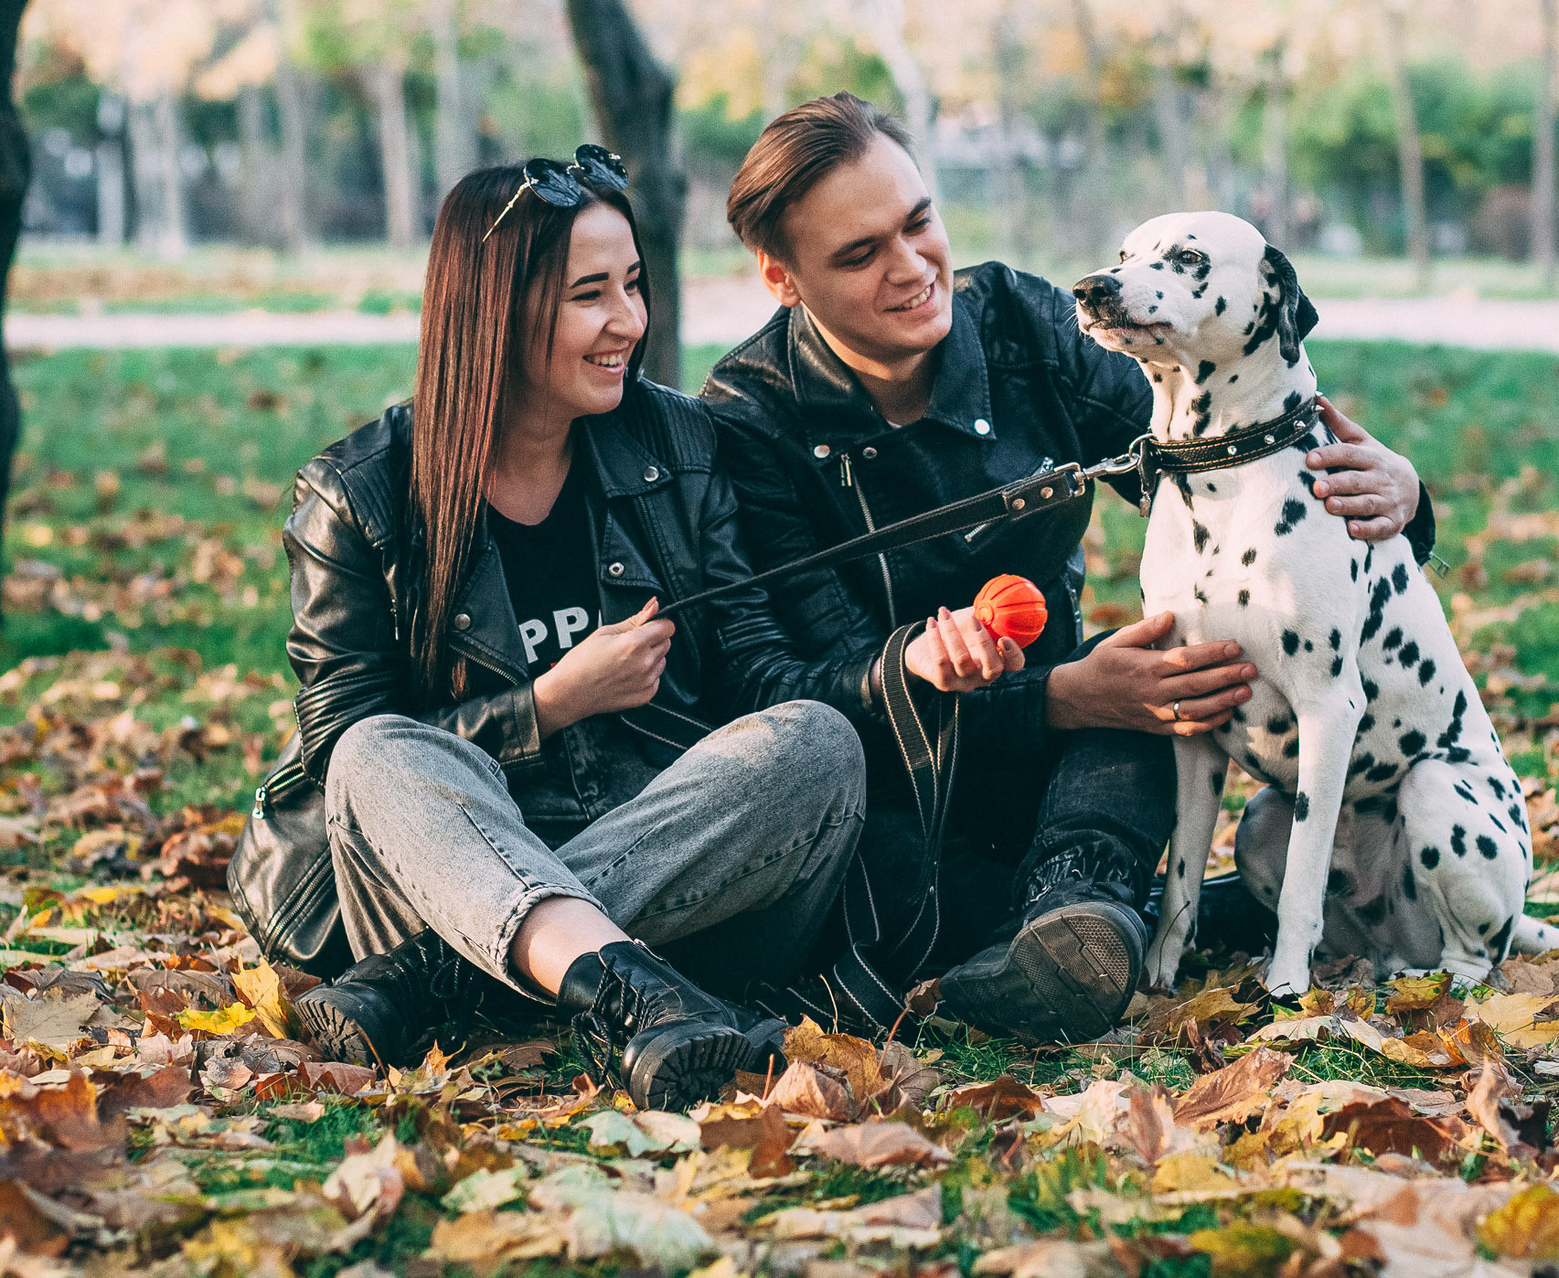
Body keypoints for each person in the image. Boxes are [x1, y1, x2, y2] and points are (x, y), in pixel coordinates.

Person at [260, 149, 1018, 1109]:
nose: (628, 321)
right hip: (441, 876)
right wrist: (547, 704)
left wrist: (902, 664)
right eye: (589, 294)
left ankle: (470, 985)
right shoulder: (358, 495)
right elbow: (341, 759)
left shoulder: (679, 444)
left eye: (633, 285)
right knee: (377, 751)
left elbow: (757, 677)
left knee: (816, 743)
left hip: (679, 880)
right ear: (496, 309)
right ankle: (622, 990)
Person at [700, 96, 1433, 1041]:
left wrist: (1404, 499)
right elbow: (774, 683)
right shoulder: (751, 413)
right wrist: (1052, 696)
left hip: (1077, 768)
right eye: (858, 253)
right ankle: (1053, 933)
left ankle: (1071, 925)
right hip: (895, 778)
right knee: (1107, 700)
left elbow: (1220, 459)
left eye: (919, 222)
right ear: (781, 277)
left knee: (1153, 682)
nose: (913, 267)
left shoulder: (1020, 324)